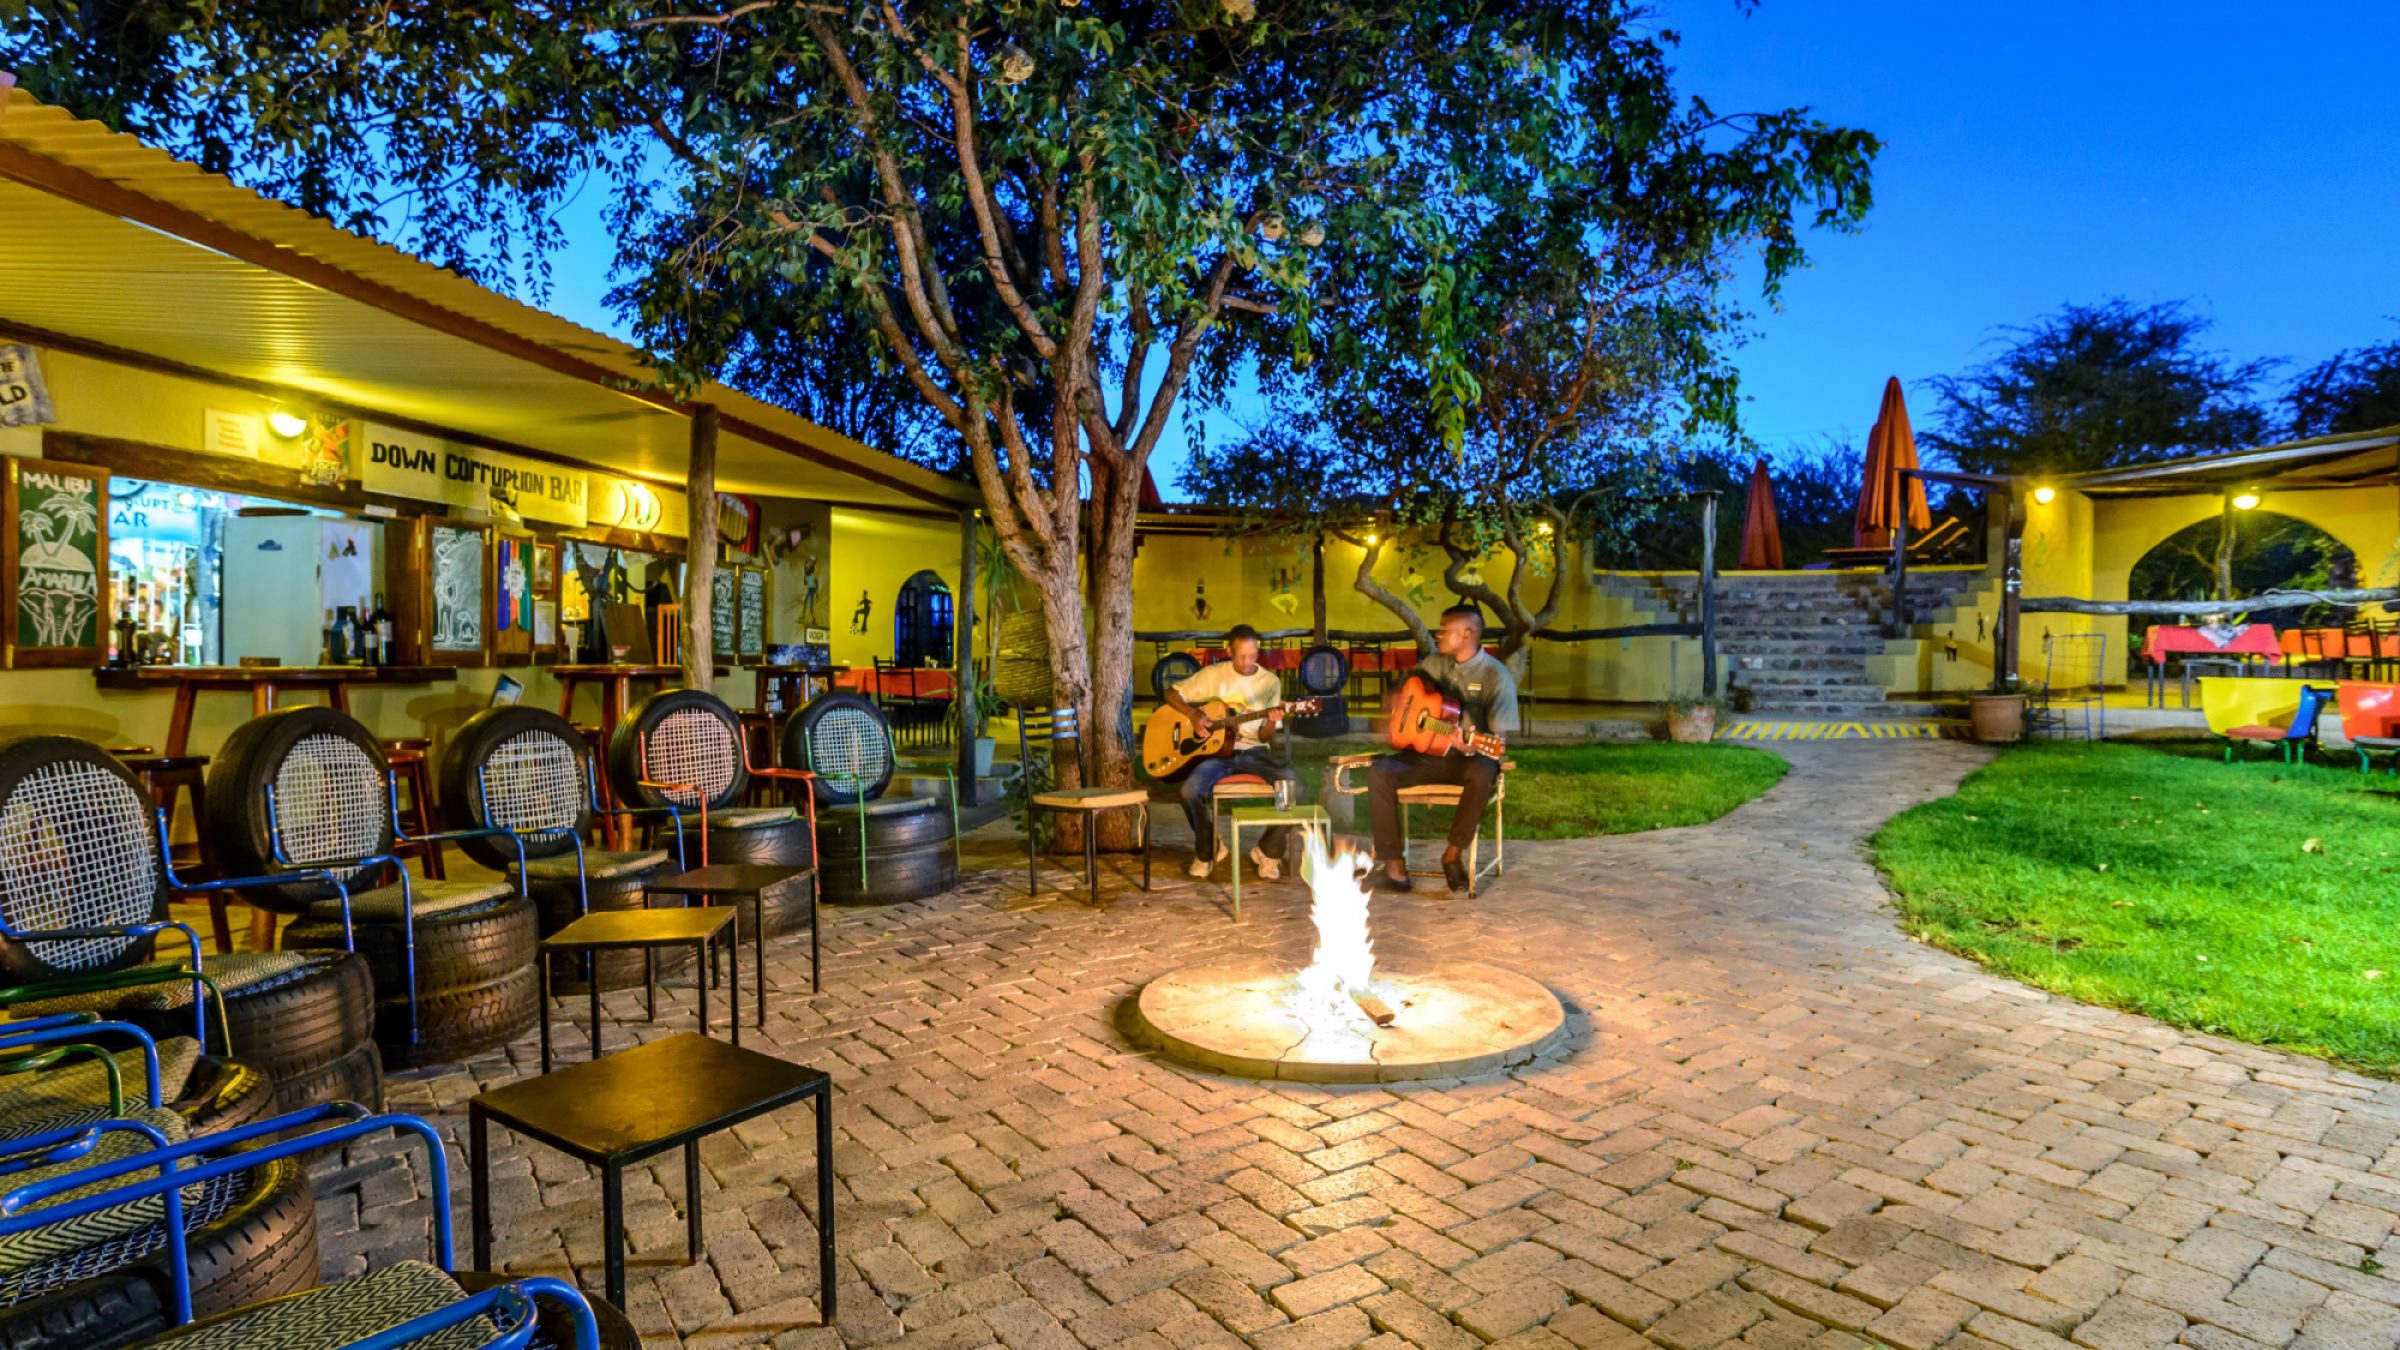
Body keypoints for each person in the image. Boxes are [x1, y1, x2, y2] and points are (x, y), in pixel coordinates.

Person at [1369, 604, 1517, 893]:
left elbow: (1499, 743)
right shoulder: (1433, 665)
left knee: (1483, 772)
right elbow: (1405, 697)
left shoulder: (1496, 677)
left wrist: (1470, 745)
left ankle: (1453, 852)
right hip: (1425, 754)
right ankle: (1394, 866)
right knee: (1379, 772)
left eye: (1444, 630)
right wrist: (1400, 717)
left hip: (1468, 758)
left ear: (1467, 634)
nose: (1437, 635)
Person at [1163, 625, 1303, 880]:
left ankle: (1268, 851)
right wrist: (1194, 715)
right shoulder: (1214, 675)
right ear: (1230, 651)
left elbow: (1264, 736)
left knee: (1295, 786)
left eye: (1253, 655)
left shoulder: (1270, 682)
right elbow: (1171, 693)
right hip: (1216, 753)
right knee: (1188, 791)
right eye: (1241, 656)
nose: (1248, 662)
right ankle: (1209, 850)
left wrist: (1271, 721)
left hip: (1254, 751)